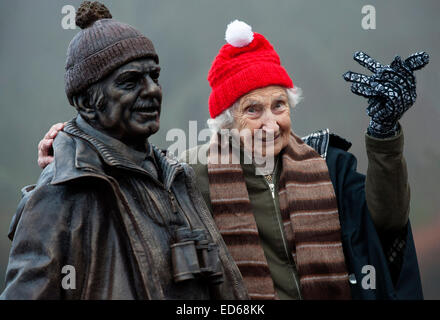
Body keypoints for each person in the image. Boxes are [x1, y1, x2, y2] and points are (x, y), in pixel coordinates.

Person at [36, 20, 429, 300]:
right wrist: (72, 144)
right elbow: (123, 181)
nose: (271, 123)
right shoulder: (186, 174)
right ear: (226, 122)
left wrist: (383, 131)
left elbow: (388, 224)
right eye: (252, 110)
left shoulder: (329, 164)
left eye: (279, 105)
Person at [0, 2, 247, 300]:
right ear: (87, 102)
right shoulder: (61, 191)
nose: (153, 90)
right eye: (130, 81)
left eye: (154, 77)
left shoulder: (176, 175)